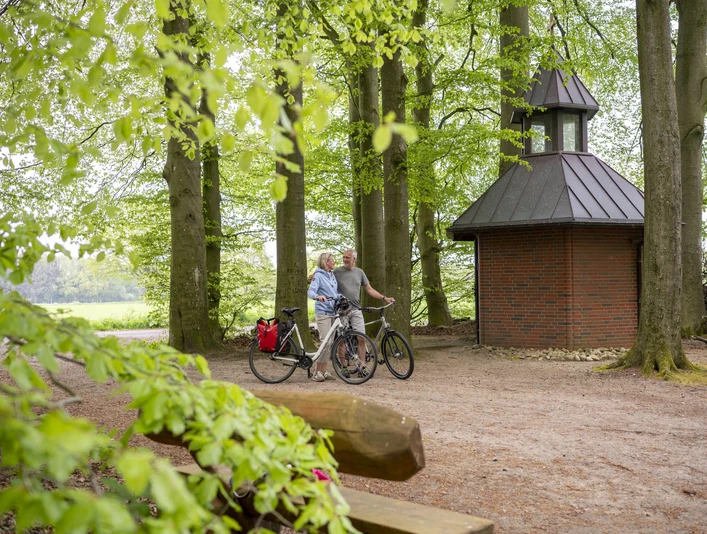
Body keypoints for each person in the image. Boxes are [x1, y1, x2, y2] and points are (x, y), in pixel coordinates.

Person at [307, 252, 338, 382]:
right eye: (332, 260)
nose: (334, 262)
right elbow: (311, 291)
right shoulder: (318, 276)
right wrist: (317, 297)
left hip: (333, 312)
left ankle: (323, 371)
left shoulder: (332, 275)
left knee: (330, 344)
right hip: (323, 312)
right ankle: (316, 372)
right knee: (325, 342)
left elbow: (334, 292)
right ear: (326, 262)